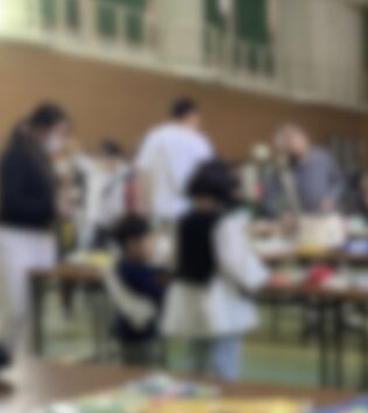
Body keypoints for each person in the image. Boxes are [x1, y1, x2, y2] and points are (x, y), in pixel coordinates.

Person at [161, 159, 270, 380]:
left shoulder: (181, 222)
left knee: (195, 361)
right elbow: (234, 263)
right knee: (224, 363)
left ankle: (193, 397)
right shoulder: (225, 223)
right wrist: (259, 278)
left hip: (189, 294)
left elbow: (171, 259)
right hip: (221, 300)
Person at [0, 102, 71, 352]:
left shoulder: (38, 155)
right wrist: (52, 208)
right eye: (59, 132)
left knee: (35, 313)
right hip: (15, 237)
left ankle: (28, 364)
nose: (61, 139)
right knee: (16, 310)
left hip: (40, 237)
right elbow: (12, 202)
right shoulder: (15, 154)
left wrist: (58, 207)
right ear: (42, 128)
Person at [135, 97, 214, 223]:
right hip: (188, 212)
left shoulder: (155, 136)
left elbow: (142, 172)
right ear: (191, 115)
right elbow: (210, 177)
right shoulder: (198, 141)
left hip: (158, 210)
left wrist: (142, 204)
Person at [108, 215, 166, 365]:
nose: (152, 245)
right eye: (148, 240)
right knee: (139, 369)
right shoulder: (130, 268)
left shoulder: (132, 265)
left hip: (139, 332)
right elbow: (157, 292)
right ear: (131, 243)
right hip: (136, 333)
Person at [76, 139, 132, 249]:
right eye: (101, 157)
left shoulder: (121, 173)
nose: (104, 162)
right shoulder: (94, 171)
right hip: (94, 223)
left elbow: (128, 168)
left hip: (115, 221)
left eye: (107, 157)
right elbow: (80, 159)